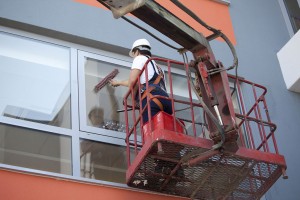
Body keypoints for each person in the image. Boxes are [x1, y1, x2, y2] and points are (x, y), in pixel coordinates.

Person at [110, 39, 172, 124]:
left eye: (134, 54)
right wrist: (118, 82)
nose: (134, 57)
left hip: (151, 99)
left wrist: (133, 99)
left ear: (137, 51)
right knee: (165, 130)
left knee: (150, 132)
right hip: (166, 101)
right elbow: (140, 81)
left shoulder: (139, 58)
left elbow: (133, 82)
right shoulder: (156, 66)